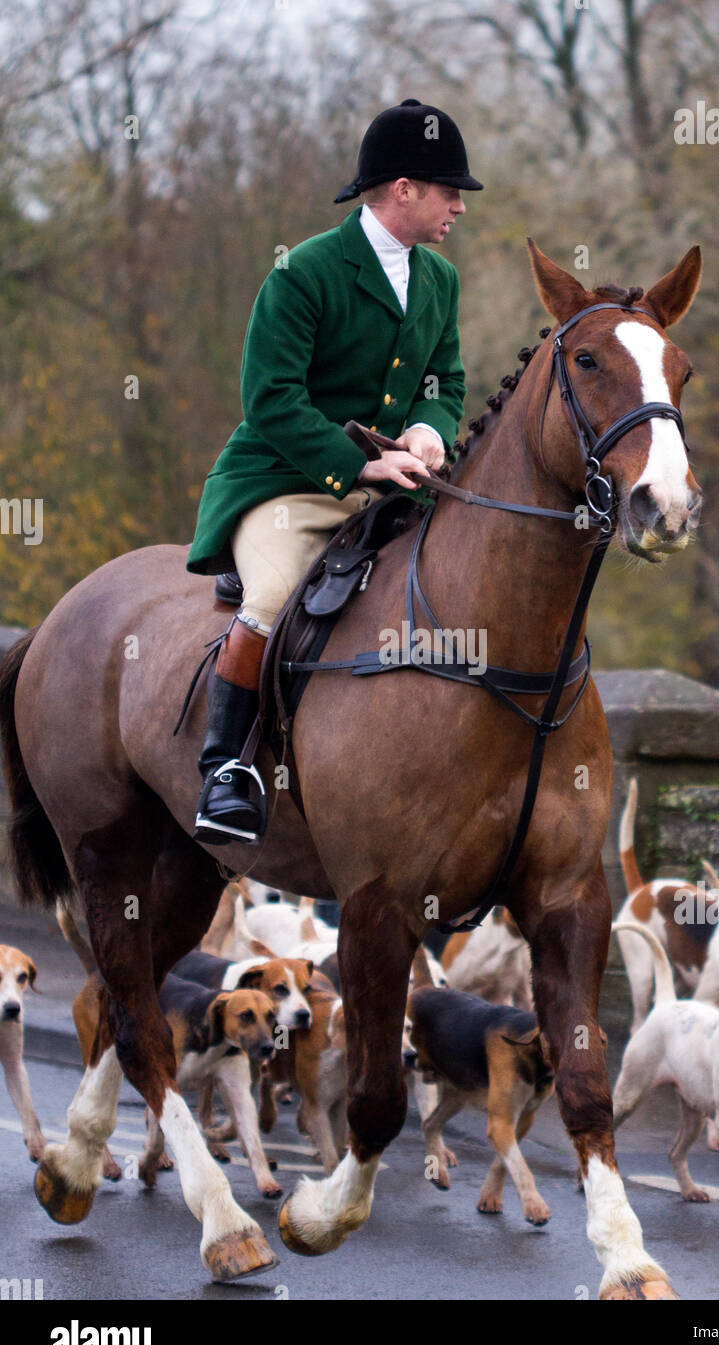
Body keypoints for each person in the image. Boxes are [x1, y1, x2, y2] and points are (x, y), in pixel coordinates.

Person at [186, 98, 483, 845]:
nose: (459, 206)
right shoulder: (305, 273)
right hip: (284, 482)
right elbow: (271, 400)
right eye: (450, 190)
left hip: (394, 485)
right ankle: (228, 769)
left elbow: (445, 381)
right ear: (404, 189)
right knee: (278, 591)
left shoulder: (440, 280)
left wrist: (427, 429)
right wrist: (362, 462)